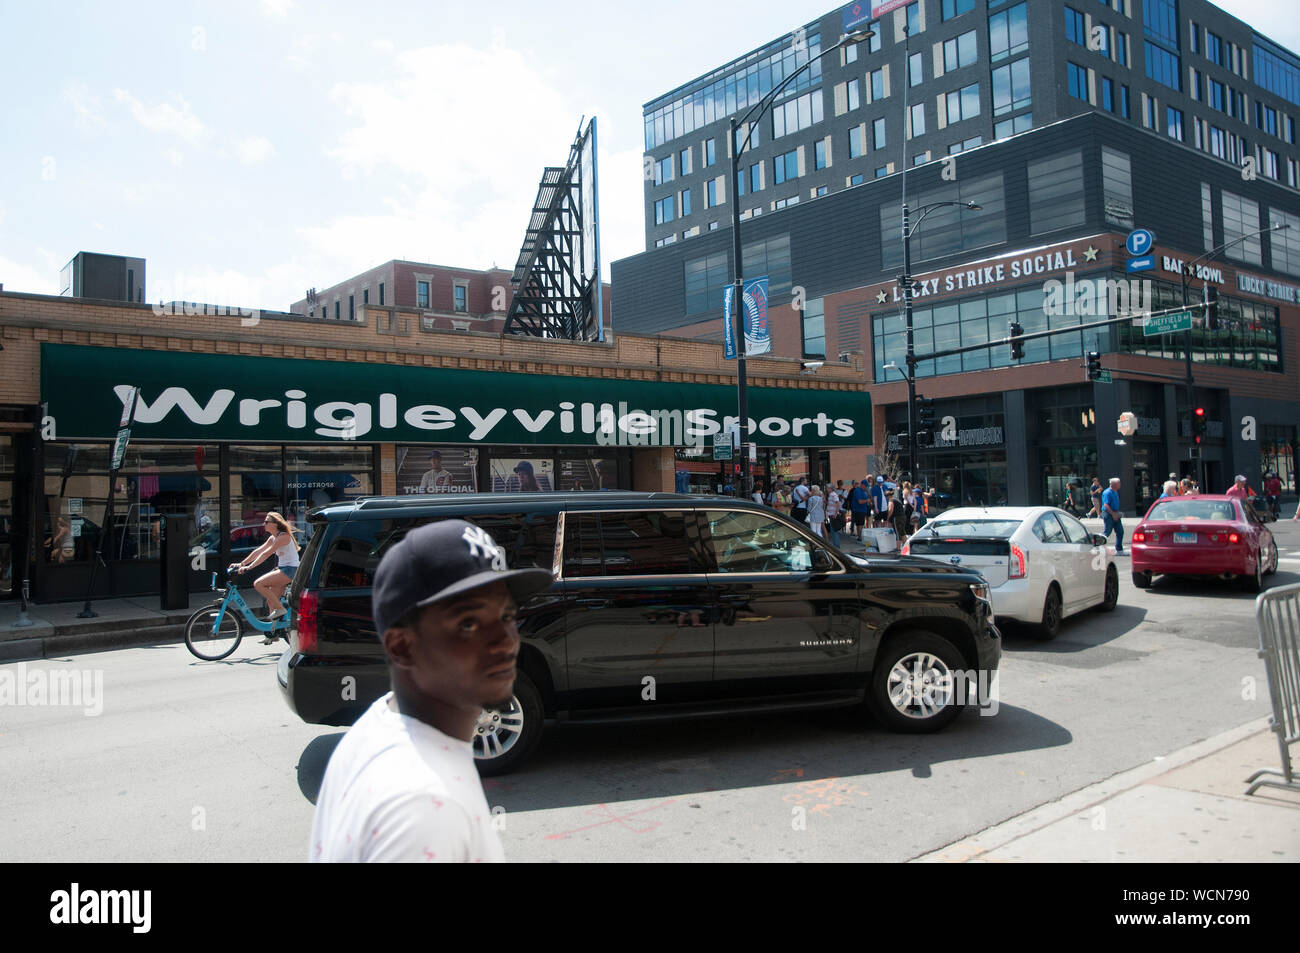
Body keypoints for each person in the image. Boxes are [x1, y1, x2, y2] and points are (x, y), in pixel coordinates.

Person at [310, 519, 553, 863]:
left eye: (507, 615)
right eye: (468, 624)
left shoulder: (382, 722)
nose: (506, 640)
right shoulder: (423, 807)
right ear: (402, 647)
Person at [228, 512, 299, 638]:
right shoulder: (273, 537)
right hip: (283, 569)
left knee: (258, 584)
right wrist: (242, 563)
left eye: (266, 522)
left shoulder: (283, 537)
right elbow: (258, 551)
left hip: (290, 570)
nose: (263, 524)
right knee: (271, 601)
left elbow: (266, 554)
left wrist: (249, 567)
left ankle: (281, 609)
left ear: (275, 524)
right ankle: (274, 633)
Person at [1101, 477, 1124, 555]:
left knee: (1120, 531)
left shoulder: (1115, 491)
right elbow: (1106, 505)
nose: (1120, 485)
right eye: (1119, 483)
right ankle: (1099, 546)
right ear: (1113, 484)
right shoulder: (1107, 492)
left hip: (1115, 513)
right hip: (1108, 514)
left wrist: (1117, 513)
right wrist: (1113, 514)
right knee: (1107, 531)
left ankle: (1119, 550)